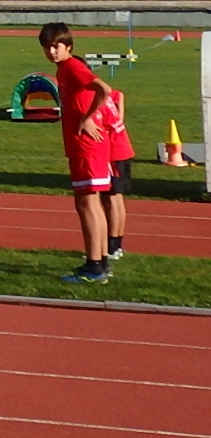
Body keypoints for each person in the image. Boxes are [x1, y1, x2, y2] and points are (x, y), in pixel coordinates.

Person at [41, 23, 116, 284]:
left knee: (86, 203)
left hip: (86, 146)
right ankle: (102, 261)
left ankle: (94, 266)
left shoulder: (72, 67)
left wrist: (88, 118)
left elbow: (104, 90)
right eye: (47, 47)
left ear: (68, 47)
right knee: (91, 202)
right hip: (85, 146)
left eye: (56, 46)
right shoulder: (63, 69)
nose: (52, 51)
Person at [102, 89, 135, 261]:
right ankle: (116, 245)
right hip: (122, 148)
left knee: (112, 198)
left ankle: (113, 247)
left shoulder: (94, 98)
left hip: (113, 152)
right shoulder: (105, 93)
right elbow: (119, 94)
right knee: (116, 198)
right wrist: (119, 117)